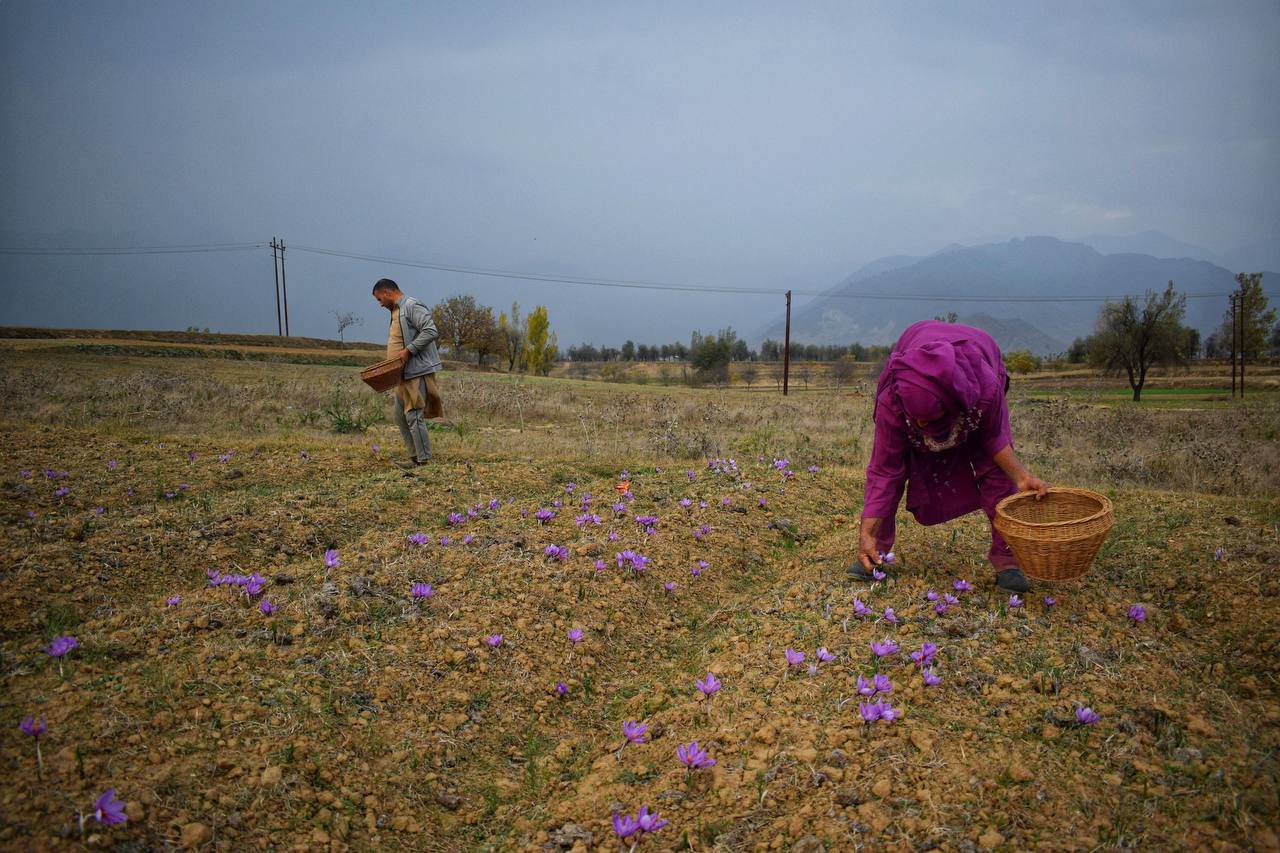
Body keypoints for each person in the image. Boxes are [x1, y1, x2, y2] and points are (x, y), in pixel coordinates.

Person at [849, 320, 1047, 592]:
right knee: (894, 470)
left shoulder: (984, 387)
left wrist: (1021, 476)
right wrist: (866, 532)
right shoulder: (894, 398)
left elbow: (993, 439)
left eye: (933, 421)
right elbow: (885, 469)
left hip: (979, 360)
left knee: (995, 473)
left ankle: (1008, 561)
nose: (923, 429)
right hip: (918, 346)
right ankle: (876, 550)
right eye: (916, 421)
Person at [372, 278, 444, 470]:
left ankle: (423, 460)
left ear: (387, 292)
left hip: (415, 370)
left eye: (380, 299)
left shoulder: (411, 305)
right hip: (400, 374)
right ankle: (414, 456)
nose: (380, 304)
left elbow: (430, 331)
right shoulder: (396, 311)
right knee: (400, 416)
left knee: (413, 414)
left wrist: (408, 350)